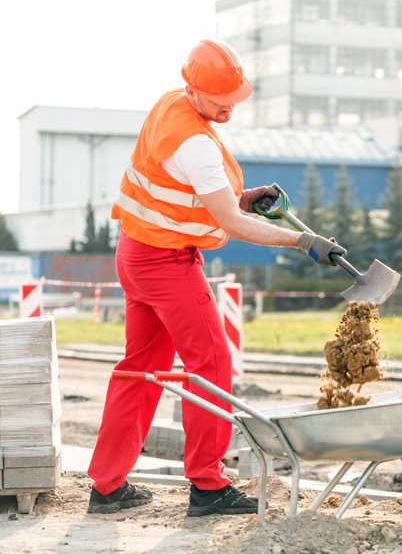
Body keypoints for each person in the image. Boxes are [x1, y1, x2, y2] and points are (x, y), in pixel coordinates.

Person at [87, 40, 345, 516]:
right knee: (210, 364)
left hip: (136, 252)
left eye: (235, 97)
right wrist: (301, 242)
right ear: (194, 90)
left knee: (141, 370)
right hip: (166, 264)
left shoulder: (172, 105)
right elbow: (228, 222)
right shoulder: (198, 145)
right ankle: (208, 486)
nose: (230, 106)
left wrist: (245, 197)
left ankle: (106, 486)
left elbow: (192, 194)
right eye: (221, 99)